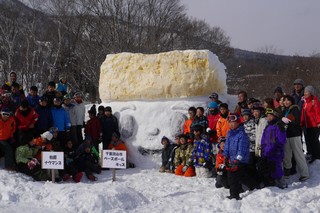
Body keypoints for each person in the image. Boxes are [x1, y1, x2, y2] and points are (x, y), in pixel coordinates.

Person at [223, 113, 251, 200]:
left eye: (233, 122)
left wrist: (236, 160)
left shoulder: (242, 134)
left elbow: (241, 150)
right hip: (231, 160)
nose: (231, 124)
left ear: (238, 122)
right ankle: (236, 192)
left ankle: (235, 195)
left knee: (235, 177)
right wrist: (225, 156)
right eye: (230, 122)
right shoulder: (229, 133)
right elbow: (226, 146)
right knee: (232, 177)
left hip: (240, 161)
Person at [282, 95, 309, 181]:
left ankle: (305, 174)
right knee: (287, 156)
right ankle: (287, 172)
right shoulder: (284, 110)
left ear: (291, 101)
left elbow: (296, 120)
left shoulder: (295, 108)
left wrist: (287, 120)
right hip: (286, 135)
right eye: (285, 100)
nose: (286, 102)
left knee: (298, 155)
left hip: (295, 135)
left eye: (288, 100)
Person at [260, 108, 287, 189]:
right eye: (267, 116)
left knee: (277, 167)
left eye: (270, 116)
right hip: (268, 151)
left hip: (276, 151)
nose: (269, 117)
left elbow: (282, 140)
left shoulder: (278, 125)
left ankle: (281, 183)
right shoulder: (268, 126)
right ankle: (272, 182)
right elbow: (263, 139)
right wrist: (263, 148)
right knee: (269, 167)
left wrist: (276, 148)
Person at [300, 85, 320, 163]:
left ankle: (317, 155)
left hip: (314, 125)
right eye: (305, 92)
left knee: (314, 141)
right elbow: (303, 114)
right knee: (308, 140)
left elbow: (317, 112)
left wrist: (318, 122)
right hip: (307, 125)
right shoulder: (305, 102)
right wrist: (301, 123)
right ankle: (311, 154)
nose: (305, 93)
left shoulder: (314, 101)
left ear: (311, 93)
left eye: (307, 92)